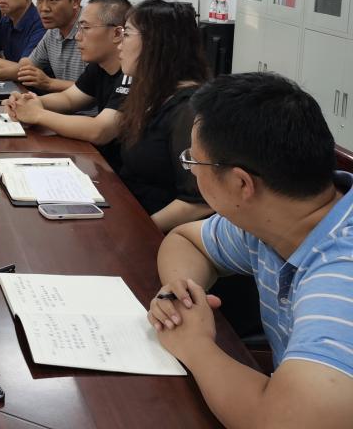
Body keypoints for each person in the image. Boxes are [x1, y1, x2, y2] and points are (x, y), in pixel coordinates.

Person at [147, 72, 353, 429]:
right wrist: (183, 293)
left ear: (241, 182)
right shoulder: (275, 218)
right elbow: (184, 240)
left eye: (194, 161)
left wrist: (195, 345)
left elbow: (286, 423)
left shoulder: (341, 273)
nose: (191, 171)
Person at [4, 0, 131, 170]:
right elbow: (69, 99)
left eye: (85, 28)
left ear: (117, 33)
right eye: (79, 28)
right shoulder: (99, 66)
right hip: (100, 162)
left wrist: (38, 114)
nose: (78, 36)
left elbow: (99, 131)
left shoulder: (131, 73)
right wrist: (29, 102)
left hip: (122, 174)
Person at [118, 0, 211, 232]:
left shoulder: (189, 109)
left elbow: (197, 202)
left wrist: (139, 232)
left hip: (159, 232)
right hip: (130, 211)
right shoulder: (152, 93)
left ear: (155, 43)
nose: (119, 44)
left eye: (126, 34)